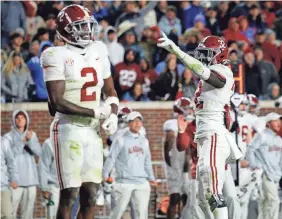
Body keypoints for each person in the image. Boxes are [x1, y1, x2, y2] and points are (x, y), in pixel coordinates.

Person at [41, 4, 119, 218]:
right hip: (68, 128)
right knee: (70, 193)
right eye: (80, 26)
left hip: (92, 130)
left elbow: (110, 89)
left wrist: (113, 112)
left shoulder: (99, 49)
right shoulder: (54, 55)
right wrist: (94, 112)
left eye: (87, 25)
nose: (86, 30)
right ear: (66, 30)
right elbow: (56, 102)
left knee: (91, 193)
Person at [157, 32, 243, 219]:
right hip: (206, 135)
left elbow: (202, 71)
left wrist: (177, 51)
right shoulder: (214, 72)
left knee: (213, 193)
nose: (203, 57)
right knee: (203, 198)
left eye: (207, 53)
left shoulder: (223, 71)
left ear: (218, 54)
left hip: (213, 134)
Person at [103, 111, 157, 219]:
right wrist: (105, 175)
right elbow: (111, 158)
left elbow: (147, 160)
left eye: (139, 121)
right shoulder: (120, 139)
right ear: (129, 123)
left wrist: (151, 177)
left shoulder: (144, 141)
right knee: (117, 213)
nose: (137, 124)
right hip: (124, 182)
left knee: (141, 214)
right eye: (134, 121)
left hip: (141, 182)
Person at [4, 110, 41, 219]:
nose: (20, 120)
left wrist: (30, 141)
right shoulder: (8, 137)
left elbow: (39, 152)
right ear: (14, 120)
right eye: (18, 118)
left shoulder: (32, 135)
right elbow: (9, 156)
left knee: (28, 213)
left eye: (23, 118)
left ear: (27, 120)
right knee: (11, 211)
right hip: (15, 181)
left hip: (31, 180)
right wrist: (23, 141)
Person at [163, 97, 197, 219]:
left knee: (187, 197)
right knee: (175, 197)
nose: (189, 111)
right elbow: (170, 141)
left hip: (186, 164)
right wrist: (171, 165)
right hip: (175, 163)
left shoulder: (192, 123)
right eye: (186, 109)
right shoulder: (172, 123)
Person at [246, 113, 282, 219]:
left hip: (275, 175)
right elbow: (250, 149)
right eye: (275, 121)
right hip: (265, 174)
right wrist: (255, 166)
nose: (278, 123)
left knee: (265, 203)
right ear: (268, 123)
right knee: (274, 201)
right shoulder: (261, 135)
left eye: (279, 121)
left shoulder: (279, 139)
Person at [38, 138, 60, 217]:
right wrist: (44, 188)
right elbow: (43, 167)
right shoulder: (49, 143)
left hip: (70, 188)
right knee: (53, 215)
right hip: (53, 186)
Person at [1, 136, 19, 218]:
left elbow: (11, 162)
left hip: (2, 187)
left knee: (7, 215)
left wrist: (14, 178)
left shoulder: (4, 142)